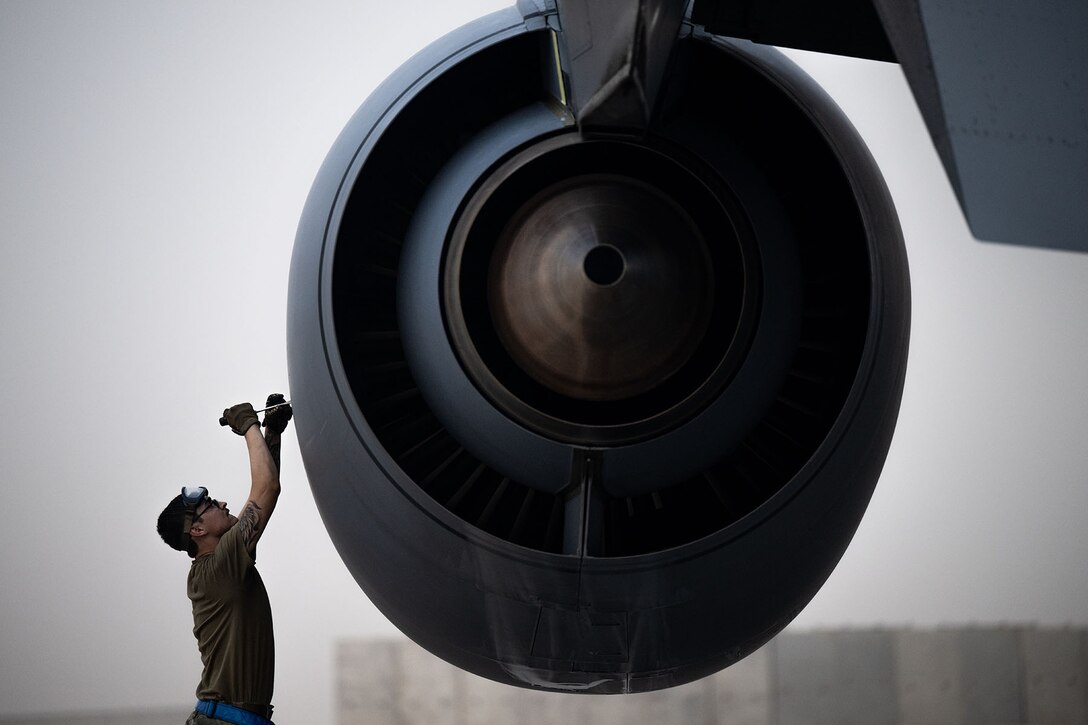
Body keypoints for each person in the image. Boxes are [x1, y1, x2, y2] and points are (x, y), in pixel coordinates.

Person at [157, 394, 292, 725]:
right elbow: (266, 490)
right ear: (198, 529)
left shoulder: (220, 563)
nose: (223, 503)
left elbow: (263, 495)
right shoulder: (221, 568)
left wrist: (271, 432)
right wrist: (248, 425)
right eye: (210, 504)